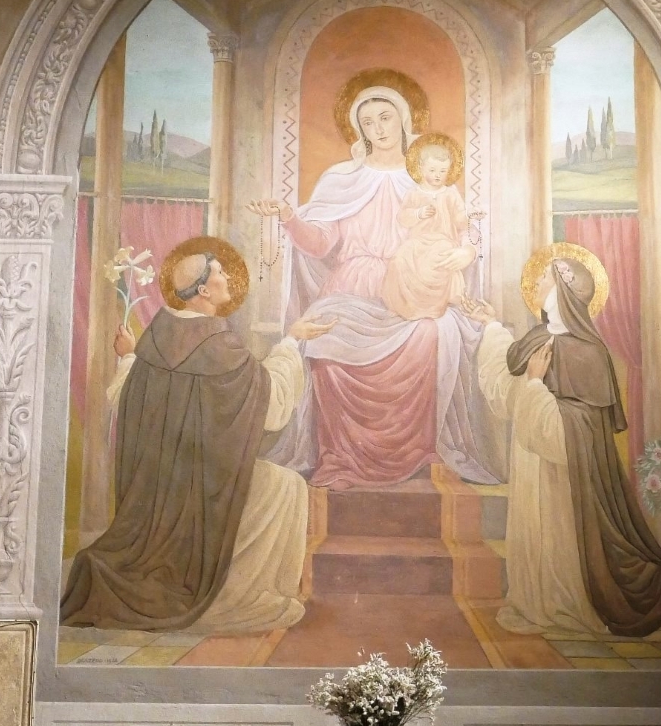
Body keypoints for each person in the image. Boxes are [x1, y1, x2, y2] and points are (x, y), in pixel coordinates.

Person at [60, 247, 334, 633]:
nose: (228, 278)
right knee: (288, 486)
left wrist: (129, 357)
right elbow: (271, 403)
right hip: (205, 488)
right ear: (203, 290)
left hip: (158, 493)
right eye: (220, 272)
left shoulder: (157, 335)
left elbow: (128, 398)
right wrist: (291, 341)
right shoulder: (218, 345)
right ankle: (235, 593)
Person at [247, 85, 495, 490]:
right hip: (351, 285)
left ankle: (420, 452)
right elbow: (320, 244)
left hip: (411, 285)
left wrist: (464, 252)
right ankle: (339, 457)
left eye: (384, 118)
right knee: (326, 342)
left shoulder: (428, 180)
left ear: (403, 120)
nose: (377, 128)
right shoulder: (342, 180)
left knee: (432, 335)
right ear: (358, 130)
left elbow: (457, 232)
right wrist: (290, 217)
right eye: (367, 122)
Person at [465, 255, 661, 638]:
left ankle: (565, 606)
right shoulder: (538, 339)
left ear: (563, 291)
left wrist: (535, 386)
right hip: (530, 461)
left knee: (558, 538)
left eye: (544, 279)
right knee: (533, 535)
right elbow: (507, 392)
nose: (537, 285)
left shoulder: (589, 352)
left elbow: (579, 428)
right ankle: (536, 603)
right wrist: (491, 326)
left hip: (566, 478)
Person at [381, 135, 476, 321]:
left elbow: (460, 221)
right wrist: (418, 213)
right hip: (417, 243)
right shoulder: (413, 193)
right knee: (399, 260)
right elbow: (402, 218)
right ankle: (403, 306)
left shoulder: (450, 194)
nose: (438, 175)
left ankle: (430, 309)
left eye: (443, 170)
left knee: (435, 264)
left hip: (442, 242)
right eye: (432, 170)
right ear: (421, 168)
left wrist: (466, 217)